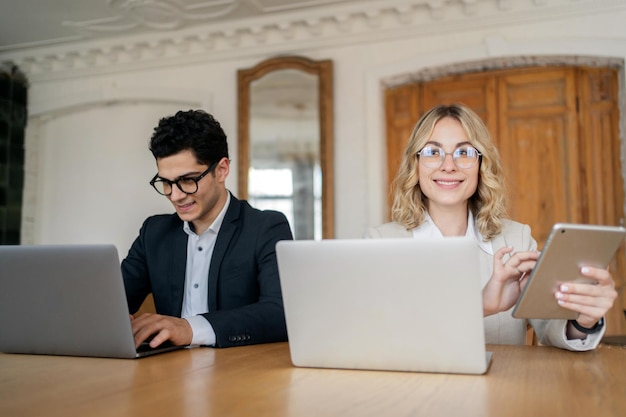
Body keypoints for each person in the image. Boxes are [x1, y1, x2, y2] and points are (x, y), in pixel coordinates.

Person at [365, 103, 617, 351]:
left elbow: (551, 327)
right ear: (415, 164)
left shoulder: (516, 239)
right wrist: (481, 306)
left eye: (464, 152)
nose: (449, 165)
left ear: (481, 165)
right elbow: (380, 339)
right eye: (433, 152)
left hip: (501, 391)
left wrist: (583, 321)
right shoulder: (380, 244)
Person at [122, 109, 293, 349]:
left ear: (221, 170)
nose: (176, 195)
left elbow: (280, 313)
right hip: (166, 372)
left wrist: (190, 328)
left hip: (239, 372)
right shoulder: (154, 233)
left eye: (188, 180)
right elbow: (112, 305)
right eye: (166, 183)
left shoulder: (265, 228)